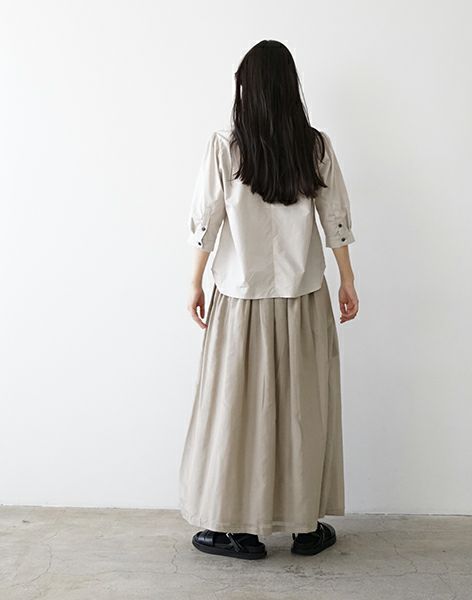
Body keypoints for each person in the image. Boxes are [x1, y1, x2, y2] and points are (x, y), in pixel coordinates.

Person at [179, 39, 359, 560]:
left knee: (237, 410)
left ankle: (239, 531)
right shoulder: (315, 146)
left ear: (248, 89)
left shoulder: (226, 147)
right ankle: (305, 527)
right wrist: (348, 281)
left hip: (241, 299)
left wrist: (194, 283)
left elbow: (206, 222)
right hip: (303, 297)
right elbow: (335, 219)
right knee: (304, 408)